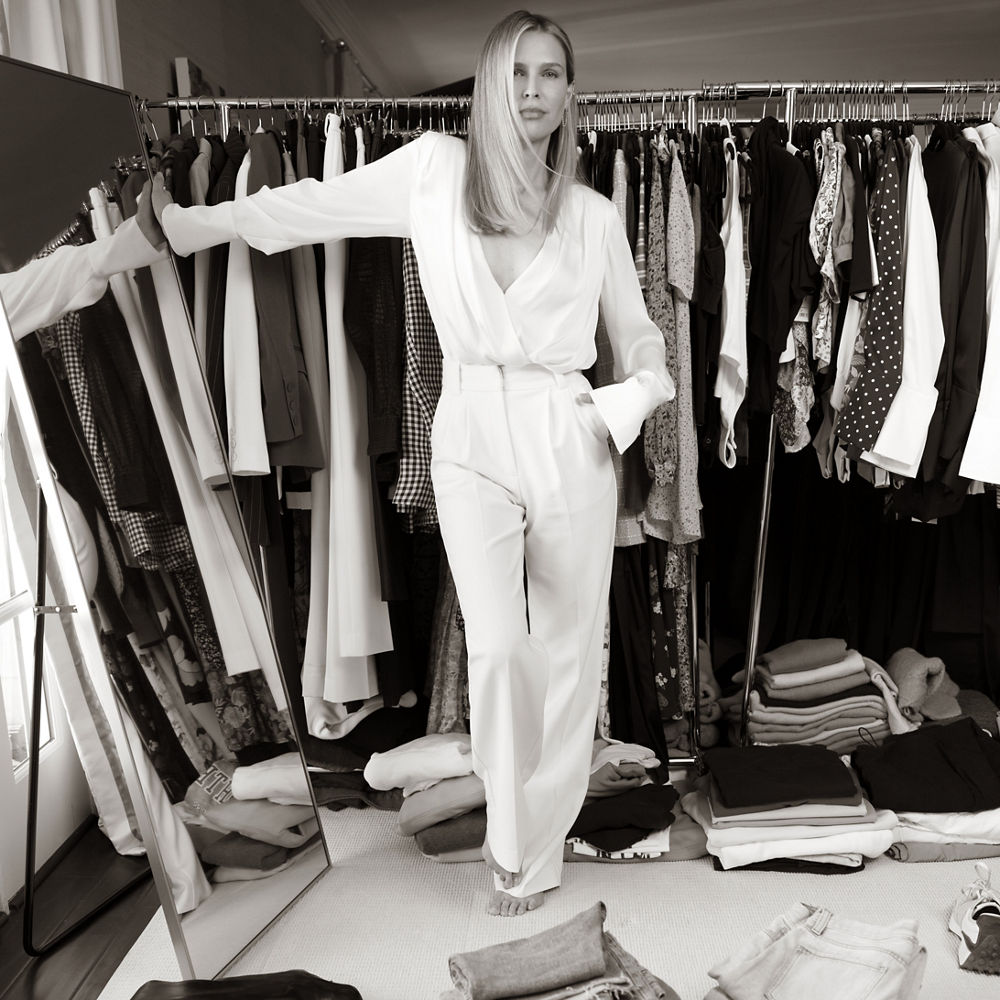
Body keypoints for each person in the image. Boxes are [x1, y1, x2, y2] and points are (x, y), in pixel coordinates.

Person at [150, 9, 674, 917]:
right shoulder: (435, 171)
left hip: (567, 429)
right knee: (502, 648)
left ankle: (525, 854)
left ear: (570, 92)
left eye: (552, 75)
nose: (536, 92)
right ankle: (514, 835)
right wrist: (194, 225)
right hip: (470, 423)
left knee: (561, 662)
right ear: (488, 84)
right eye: (518, 73)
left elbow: (644, 346)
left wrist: (614, 408)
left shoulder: (591, 215)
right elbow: (308, 206)